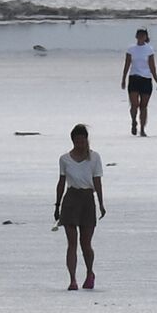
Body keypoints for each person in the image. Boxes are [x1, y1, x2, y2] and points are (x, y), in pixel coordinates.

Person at [55, 123, 106, 290]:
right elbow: (61, 182)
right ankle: (72, 279)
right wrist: (57, 205)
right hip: (71, 199)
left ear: (86, 140)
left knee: (86, 242)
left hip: (87, 199)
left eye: (82, 141)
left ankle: (90, 272)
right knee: (72, 243)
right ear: (73, 141)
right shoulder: (65, 159)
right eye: (77, 141)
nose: (80, 144)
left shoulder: (95, 158)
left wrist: (101, 203)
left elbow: (97, 182)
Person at [120, 28, 157, 136]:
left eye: (143, 36)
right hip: (134, 78)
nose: (141, 38)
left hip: (146, 79)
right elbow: (127, 64)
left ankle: (142, 129)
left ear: (146, 37)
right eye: (139, 35)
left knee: (144, 106)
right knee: (134, 105)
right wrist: (123, 79)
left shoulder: (149, 49)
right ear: (136, 36)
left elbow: (152, 66)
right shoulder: (131, 49)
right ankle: (134, 122)